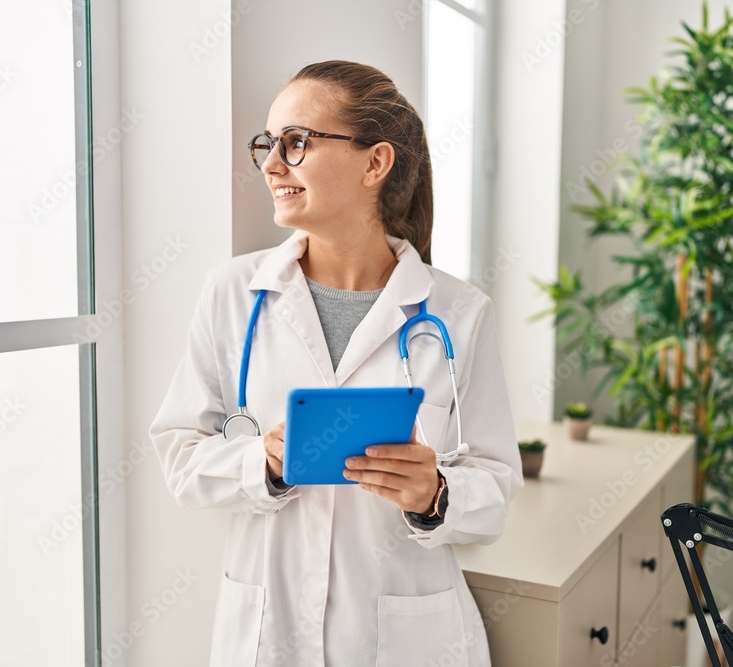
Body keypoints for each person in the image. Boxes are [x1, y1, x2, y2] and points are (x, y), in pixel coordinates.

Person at [149, 60, 522, 667]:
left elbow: (497, 487)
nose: (272, 165)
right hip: (268, 635)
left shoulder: (457, 312)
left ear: (375, 163)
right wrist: (261, 463)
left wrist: (435, 492)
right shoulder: (232, 292)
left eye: (296, 144)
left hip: (409, 637)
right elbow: (179, 456)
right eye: (267, 145)